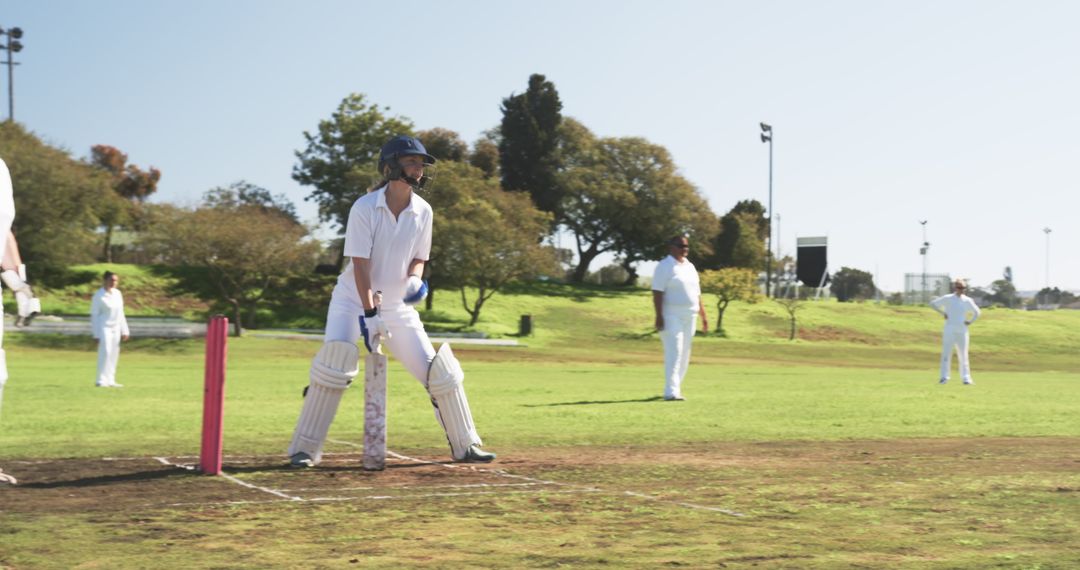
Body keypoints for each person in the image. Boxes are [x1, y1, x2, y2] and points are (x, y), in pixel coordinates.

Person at [287, 135, 496, 467]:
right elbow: (360, 264)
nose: (418, 168)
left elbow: (419, 258)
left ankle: (466, 445)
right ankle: (304, 450)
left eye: (420, 163)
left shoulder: (423, 211)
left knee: (440, 374)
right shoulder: (365, 207)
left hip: (399, 306)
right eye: (412, 162)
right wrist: (369, 312)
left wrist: (415, 278)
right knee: (335, 366)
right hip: (351, 300)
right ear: (391, 166)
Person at [651, 235, 708, 401]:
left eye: (687, 246)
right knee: (674, 351)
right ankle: (670, 392)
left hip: (690, 315)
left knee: (684, 354)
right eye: (681, 246)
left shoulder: (690, 266)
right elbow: (657, 292)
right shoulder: (664, 266)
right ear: (672, 247)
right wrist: (659, 316)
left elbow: (697, 293)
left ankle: (675, 387)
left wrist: (703, 316)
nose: (685, 249)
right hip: (671, 315)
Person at [929, 278, 981, 385]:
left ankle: (966, 378)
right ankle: (944, 377)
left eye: (963, 288)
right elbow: (933, 304)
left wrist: (970, 321)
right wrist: (943, 313)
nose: (961, 290)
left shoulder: (967, 300)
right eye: (959, 287)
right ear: (955, 288)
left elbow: (977, 312)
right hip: (949, 329)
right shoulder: (948, 298)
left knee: (963, 354)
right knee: (946, 354)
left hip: (962, 330)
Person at [90, 271, 130, 388]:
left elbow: (121, 313)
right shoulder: (98, 295)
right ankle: (101, 380)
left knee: (114, 353)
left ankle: (111, 379)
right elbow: (95, 315)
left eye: (116, 280)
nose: (114, 282)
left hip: (116, 327)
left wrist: (125, 330)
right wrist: (96, 334)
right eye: (111, 280)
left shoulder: (118, 294)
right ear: (105, 280)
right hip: (104, 327)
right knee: (105, 352)